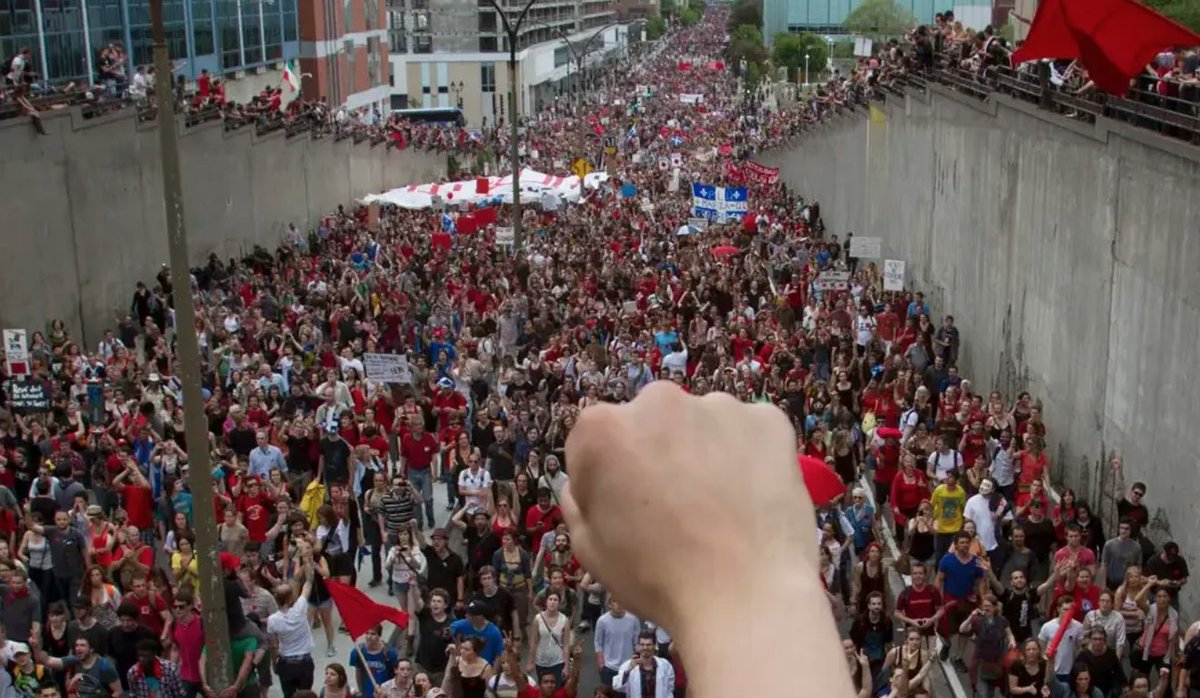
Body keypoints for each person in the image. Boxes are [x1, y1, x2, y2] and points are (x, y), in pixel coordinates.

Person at [266, 547, 315, 698]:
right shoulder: (300, 608)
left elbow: (274, 646)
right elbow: (308, 583)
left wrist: (275, 663)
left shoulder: (272, 620)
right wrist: (307, 562)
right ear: (290, 598)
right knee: (305, 695)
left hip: (286, 663)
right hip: (304, 662)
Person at [611, 631, 674, 698]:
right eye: (642, 644)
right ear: (638, 645)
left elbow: (669, 690)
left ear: (654, 645)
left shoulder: (665, 665)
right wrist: (628, 670)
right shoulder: (627, 666)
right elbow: (616, 686)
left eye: (648, 645)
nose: (645, 648)